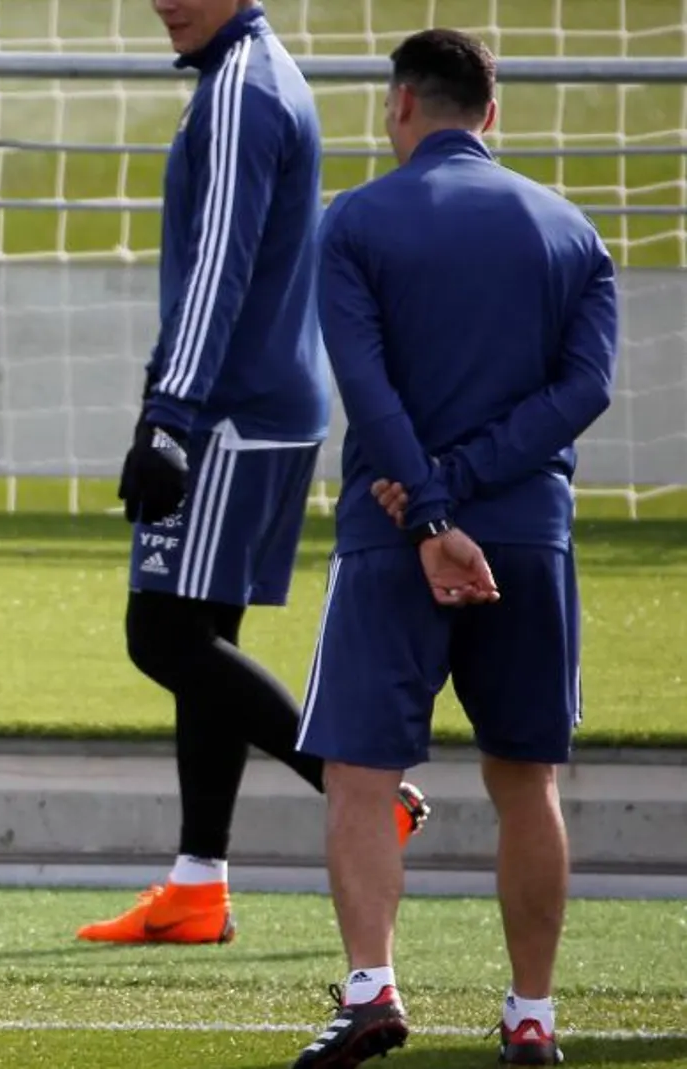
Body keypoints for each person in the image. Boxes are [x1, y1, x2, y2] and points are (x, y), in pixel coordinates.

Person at [290, 28, 616, 1068]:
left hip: (393, 533)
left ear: (399, 106)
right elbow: (585, 390)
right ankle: (531, 1013)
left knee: (359, 770)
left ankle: (372, 988)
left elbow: (362, 380)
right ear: (492, 111)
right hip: (527, 532)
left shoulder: (356, 223)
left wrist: (429, 512)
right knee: (527, 778)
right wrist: (473, 486)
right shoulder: (571, 232)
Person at [79, 0, 431, 946]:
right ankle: (199, 883)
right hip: (258, 402)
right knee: (202, 629)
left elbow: (217, 265)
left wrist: (170, 416)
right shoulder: (254, 75)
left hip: (229, 413)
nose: (164, 2)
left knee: (160, 634)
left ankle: (362, 790)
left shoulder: (243, 89)